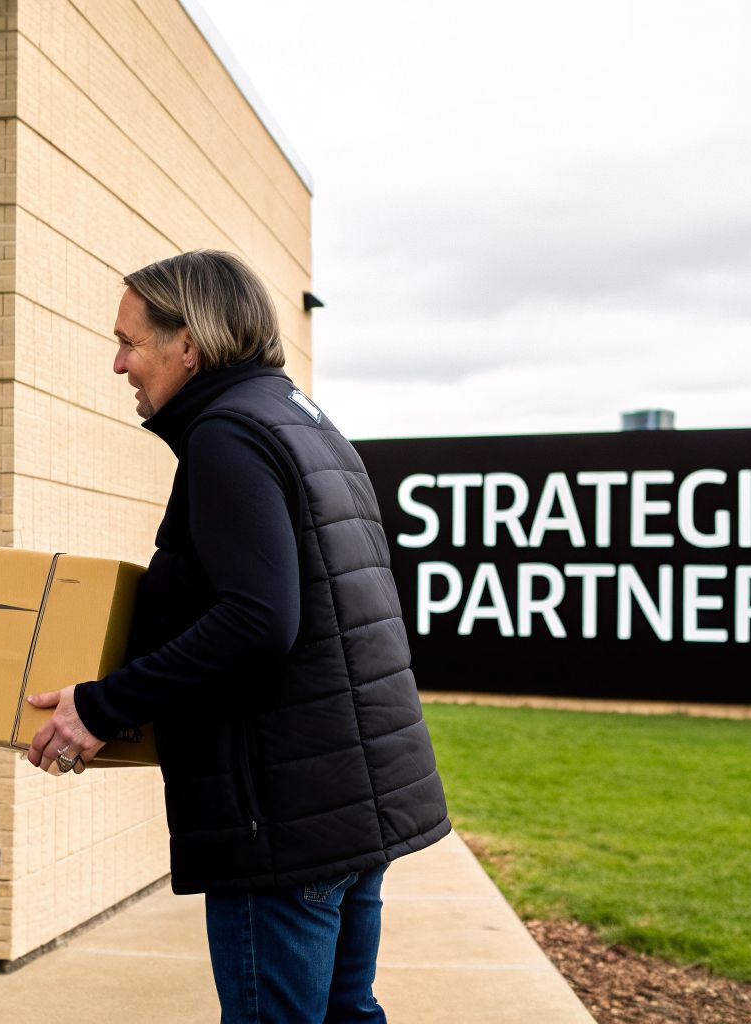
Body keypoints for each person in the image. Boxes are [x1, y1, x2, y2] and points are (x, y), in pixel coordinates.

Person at [25, 250, 449, 1022]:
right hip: (347, 798)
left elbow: (258, 619)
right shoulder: (298, 421)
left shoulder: (229, 436)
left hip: (286, 814)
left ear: (188, 343)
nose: (118, 363)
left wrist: (100, 704)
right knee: (350, 1013)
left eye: (129, 341)